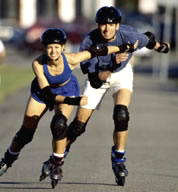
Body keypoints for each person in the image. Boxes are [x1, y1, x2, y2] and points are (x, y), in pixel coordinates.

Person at [0, 27, 132, 188]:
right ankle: (6, 160)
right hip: (44, 93)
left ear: (63, 47)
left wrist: (121, 47)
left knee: (59, 124)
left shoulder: (72, 58)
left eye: (57, 47)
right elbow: (48, 96)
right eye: (49, 47)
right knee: (25, 134)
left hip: (67, 89)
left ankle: (57, 162)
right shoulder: (38, 64)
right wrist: (74, 101)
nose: (53, 51)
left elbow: (99, 50)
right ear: (44, 48)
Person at [63, 6, 169, 186]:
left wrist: (162, 47)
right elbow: (95, 80)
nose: (107, 29)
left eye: (111, 25)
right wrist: (112, 63)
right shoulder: (89, 42)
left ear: (118, 26)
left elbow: (148, 41)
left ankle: (118, 158)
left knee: (121, 114)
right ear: (97, 25)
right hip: (99, 76)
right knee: (78, 126)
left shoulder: (129, 34)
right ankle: (58, 155)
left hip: (121, 74)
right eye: (103, 25)